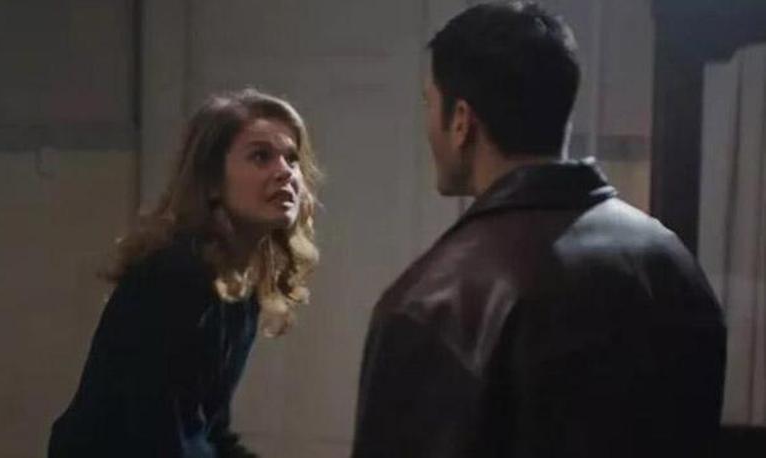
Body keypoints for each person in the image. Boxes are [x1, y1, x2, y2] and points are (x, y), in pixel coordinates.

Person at [351, 2, 726, 457]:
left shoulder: (432, 303)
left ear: (461, 121)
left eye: (429, 103)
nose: (428, 122)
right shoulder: (672, 263)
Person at [49, 88, 321, 457]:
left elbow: (209, 430)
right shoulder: (179, 273)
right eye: (261, 156)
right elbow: (161, 438)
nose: (285, 172)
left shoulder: (238, 281)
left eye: (292, 159)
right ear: (212, 182)